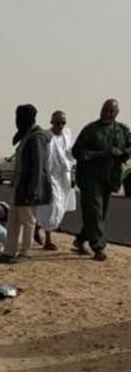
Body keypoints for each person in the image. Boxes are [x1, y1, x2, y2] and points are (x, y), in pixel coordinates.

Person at [71, 99, 131, 261]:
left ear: (116, 113)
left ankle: (82, 238)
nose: (107, 114)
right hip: (90, 177)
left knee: (100, 213)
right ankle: (98, 247)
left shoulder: (122, 130)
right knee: (94, 210)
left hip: (110, 177)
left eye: (111, 111)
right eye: (105, 110)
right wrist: (98, 154)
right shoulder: (91, 130)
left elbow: (129, 147)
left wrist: (121, 152)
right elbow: (77, 151)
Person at [0, 105, 51, 264]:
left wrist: (33, 189)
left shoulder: (37, 138)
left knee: (28, 219)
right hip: (19, 185)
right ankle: (9, 251)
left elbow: (38, 166)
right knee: (13, 218)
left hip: (29, 186)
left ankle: (26, 252)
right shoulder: (27, 135)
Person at [35, 111, 75, 250]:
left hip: (64, 177)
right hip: (50, 177)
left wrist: (72, 176)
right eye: (58, 123)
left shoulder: (67, 134)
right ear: (52, 122)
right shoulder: (46, 136)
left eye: (63, 123)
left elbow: (71, 156)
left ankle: (37, 227)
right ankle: (48, 240)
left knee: (61, 207)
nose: (60, 125)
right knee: (52, 206)